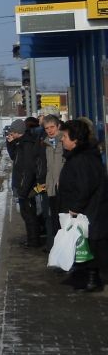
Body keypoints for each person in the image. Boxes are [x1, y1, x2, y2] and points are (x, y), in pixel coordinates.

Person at [57, 119, 108, 292]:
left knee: (89, 245)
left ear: (76, 139)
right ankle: (89, 277)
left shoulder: (81, 159)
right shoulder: (83, 156)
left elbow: (85, 187)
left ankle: (93, 280)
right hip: (89, 211)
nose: (61, 139)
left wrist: (74, 208)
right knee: (87, 245)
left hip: (88, 212)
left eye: (64, 136)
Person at [6, 118, 43, 248]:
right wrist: (10, 143)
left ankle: (34, 241)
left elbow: (28, 169)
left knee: (29, 214)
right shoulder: (21, 143)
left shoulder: (26, 145)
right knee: (26, 213)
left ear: (17, 131)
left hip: (26, 186)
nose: (10, 133)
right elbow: (14, 157)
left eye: (12, 131)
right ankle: (32, 239)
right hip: (23, 185)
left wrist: (23, 189)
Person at [37, 114, 64, 251]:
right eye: (47, 128)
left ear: (58, 126)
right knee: (53, 221)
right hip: (51, 189)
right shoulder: (46, 143)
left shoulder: (64, 141)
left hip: (63, 190)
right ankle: (56, 251)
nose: (50, 130)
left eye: (52, 127)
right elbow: (45, 167)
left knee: (63, 224)